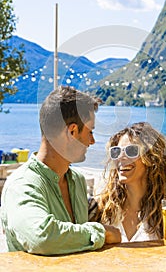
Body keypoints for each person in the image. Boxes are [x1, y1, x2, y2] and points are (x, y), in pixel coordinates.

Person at [1, 86, 121, 255]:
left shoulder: (77, 180)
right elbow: (42, 238)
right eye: (90, 132)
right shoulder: (22, 185)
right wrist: (101, 232)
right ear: (72, 132)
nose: (92, 141)